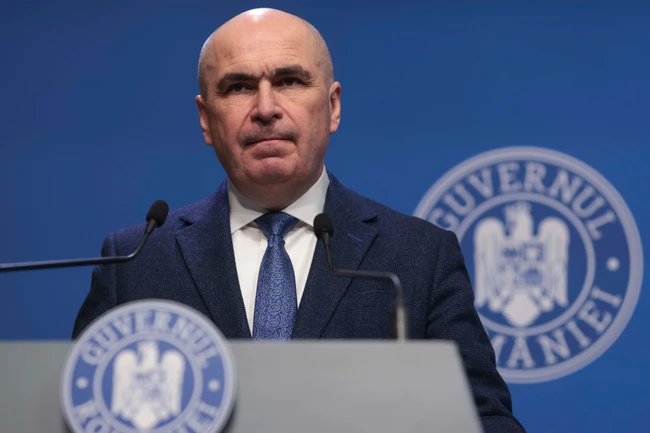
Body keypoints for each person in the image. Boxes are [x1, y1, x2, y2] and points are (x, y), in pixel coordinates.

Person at [72, 8, 525, 432]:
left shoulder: (418, 257)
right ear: (206, 120)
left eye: (289, 81)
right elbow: (79, 414)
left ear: (333, 106)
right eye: (238, 87)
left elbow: (484, 420)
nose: (266, 108)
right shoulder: (135, 261)